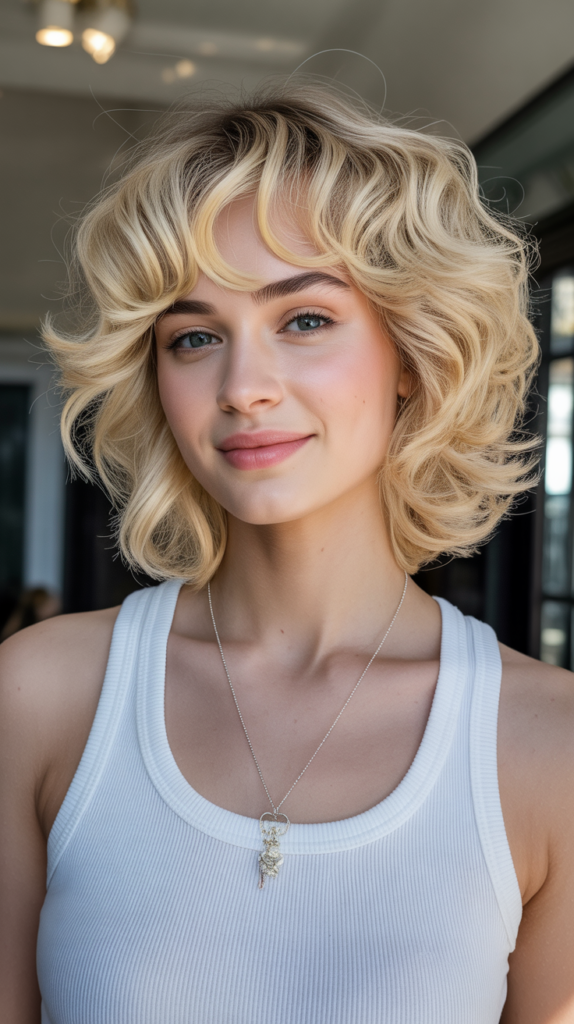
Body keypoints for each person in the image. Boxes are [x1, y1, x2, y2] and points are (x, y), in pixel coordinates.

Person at [1, 84, 572, 1024]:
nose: (243, 387)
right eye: (194, 337)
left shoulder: (551, 748)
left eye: (303, 320)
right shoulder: (42, 695)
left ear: (414, 356)